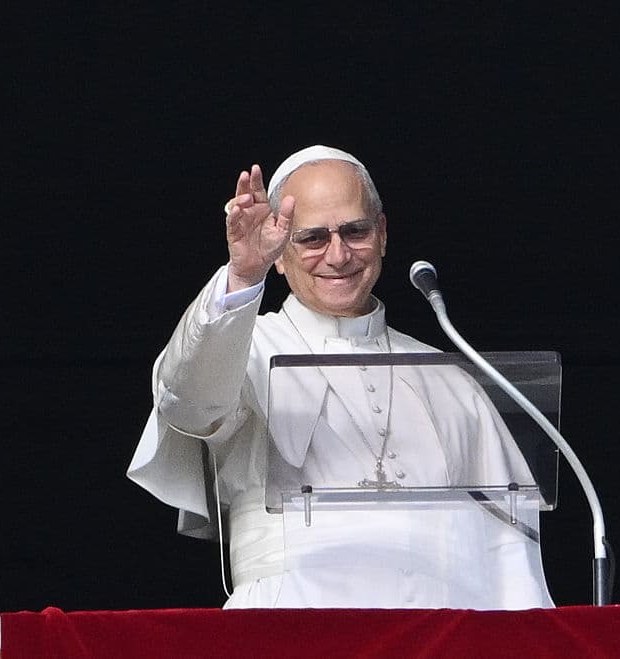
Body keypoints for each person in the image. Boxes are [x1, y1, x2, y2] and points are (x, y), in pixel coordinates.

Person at [128, 145, 553, 609]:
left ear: (383, 232)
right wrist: (243, 274)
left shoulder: (447, 377)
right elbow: (187, 402)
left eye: (355, 231)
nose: (338, 255)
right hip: (290, 625)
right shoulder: (246, 348)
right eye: (311, 238)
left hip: (439, 632)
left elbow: (508, 548)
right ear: (280, 253)